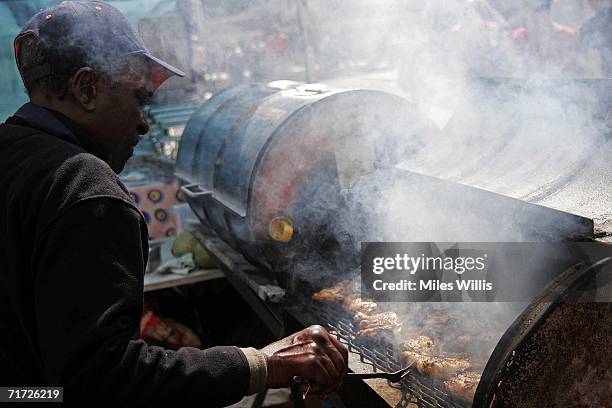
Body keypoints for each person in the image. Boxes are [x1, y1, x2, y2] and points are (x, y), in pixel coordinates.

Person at [0, 1, 347, 407]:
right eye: (139, 100)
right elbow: (101, 380)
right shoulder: (85, 189)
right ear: (87, 88)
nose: (145, 122)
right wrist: (262, 364)